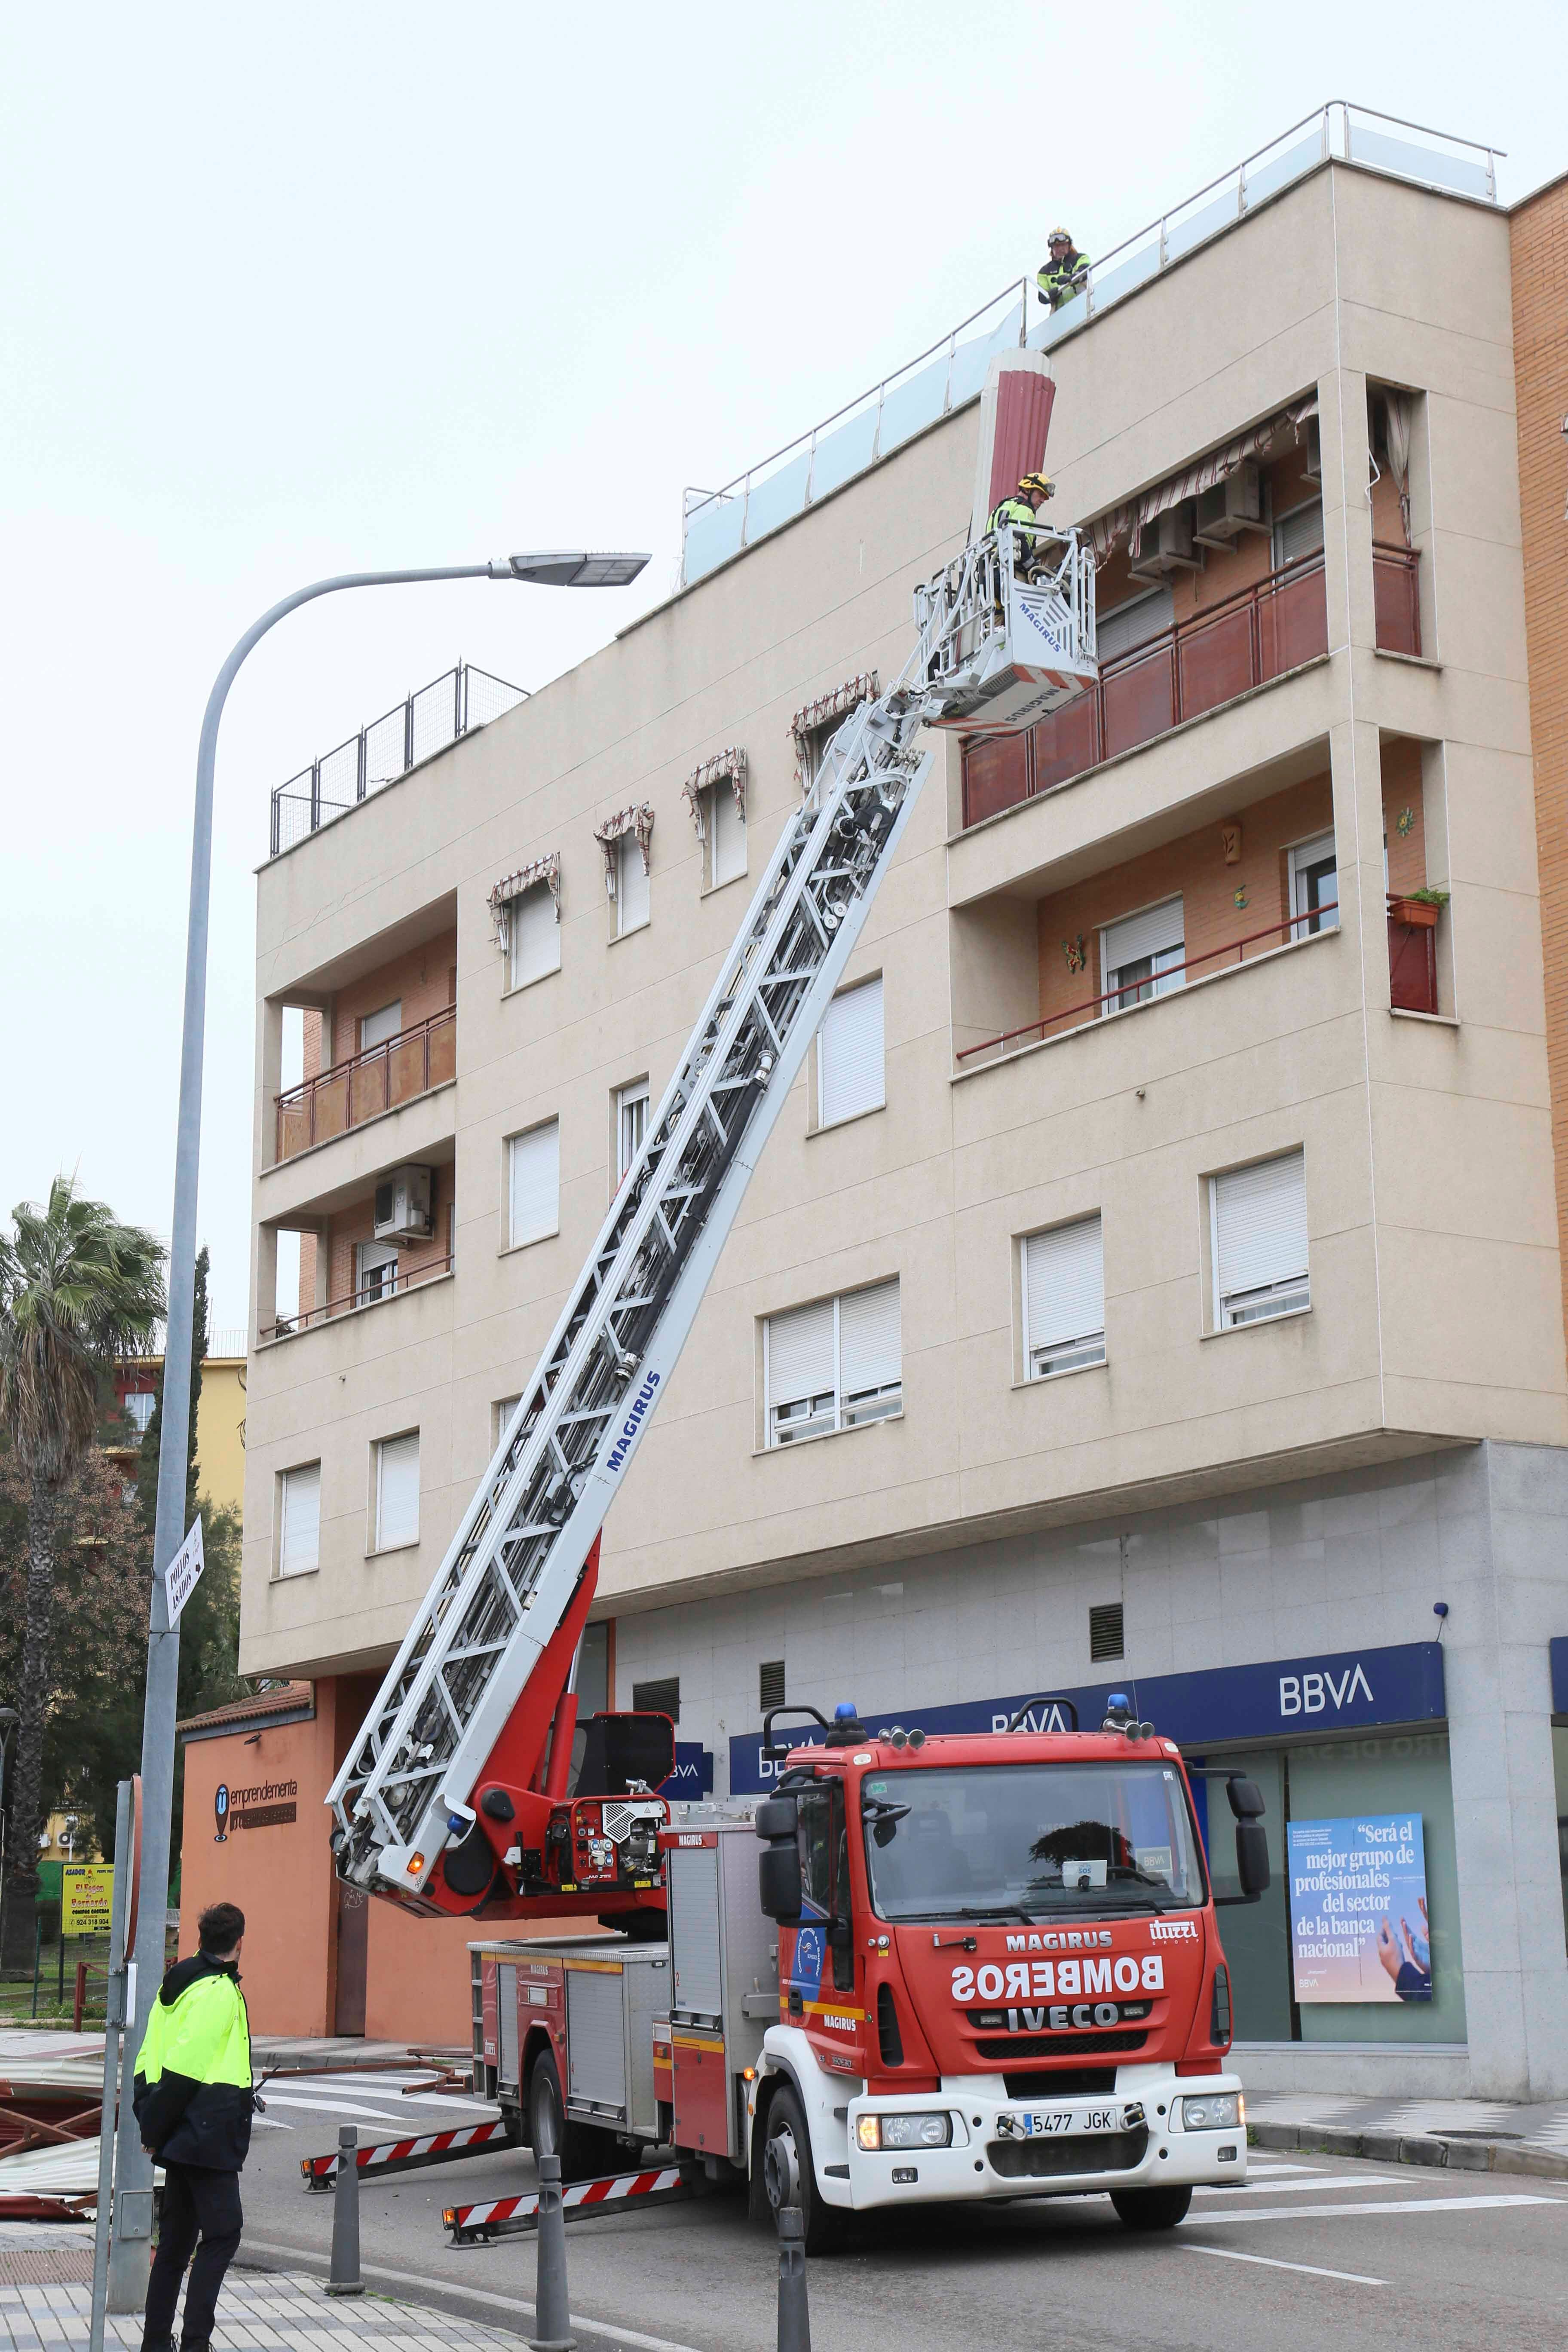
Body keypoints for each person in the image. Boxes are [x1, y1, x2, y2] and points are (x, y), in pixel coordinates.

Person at [134, 1902, 254, 2352]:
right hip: (207, 2130)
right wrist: (154, 2130)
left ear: (200, 1939)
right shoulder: (218, 1991)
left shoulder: (176, 1984)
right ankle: (195, 2343)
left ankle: (155, 2343)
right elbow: (187, 2069)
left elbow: (148, 2057)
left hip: (181, 2129)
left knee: (176, 2244)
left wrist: (151, 2121)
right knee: (224, 2234)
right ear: (239, 1943)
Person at [1037, 227, 1091, 311]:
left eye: (1063, 245)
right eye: (1056, 247)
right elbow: (1042, 297)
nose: (1060, 249)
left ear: (1069, 245)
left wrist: (1071, 279)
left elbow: (1084, 272)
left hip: (1084, 309)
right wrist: (1050, 295)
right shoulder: (1044, 272)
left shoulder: (1081, 258)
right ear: (1052, 248)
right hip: (1061, 318)